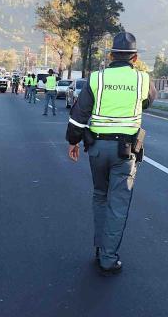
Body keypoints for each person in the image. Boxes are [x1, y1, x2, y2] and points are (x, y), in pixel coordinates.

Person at [65, 32, 157, 276]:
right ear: (135, 58)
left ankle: (100, 247)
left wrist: (73, 142)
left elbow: (78, 116)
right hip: (125, 153)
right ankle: (108, 257)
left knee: (100, 196)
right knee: (118, 203)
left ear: (111, 56)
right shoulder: (143, 80)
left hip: (96, 149)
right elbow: (148, 102)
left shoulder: (96, 78)